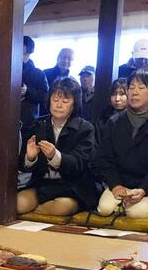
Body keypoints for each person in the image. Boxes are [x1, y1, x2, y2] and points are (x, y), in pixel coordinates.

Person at [93, 70, 148, 218]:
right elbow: (104, 159)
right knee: (105, 209)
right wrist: (115, 185)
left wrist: (144, 189)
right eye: (131, 87)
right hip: (121, 184)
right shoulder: (114, 122)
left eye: (141, 87)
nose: (134, 92)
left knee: (137, 212)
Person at [17, 78, 99, 217]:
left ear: (74, 104)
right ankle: (39, 210)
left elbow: (79, 164)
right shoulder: (39, 125)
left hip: (72, 187)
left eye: (65, 101)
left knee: (60, 208)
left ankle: (37, 211)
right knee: (18, 204)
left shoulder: (85, 128)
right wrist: (30, 158)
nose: (59, 105)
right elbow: (23, 165)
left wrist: (55, 156)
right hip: (42, 185)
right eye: (55, 100)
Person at [20, 35, 49, 136]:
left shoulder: (38, 73)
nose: (21, 56)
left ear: (29, 53)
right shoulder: (6, 70)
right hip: (6, 119)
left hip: (29, 123)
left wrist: (27, 91)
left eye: (24, 53)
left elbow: (45, 96)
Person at [95, 78, 127, 144]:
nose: (117, 99)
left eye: (122, 94)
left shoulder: (135, 119)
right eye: (114, 94)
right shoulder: (103, 118)